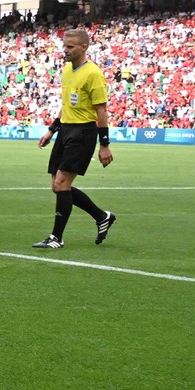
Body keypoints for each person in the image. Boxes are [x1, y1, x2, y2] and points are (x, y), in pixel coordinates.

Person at [34, 27, 117, 249]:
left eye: (70, 47)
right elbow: (66, 106)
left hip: (83, 132)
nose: (66, 50)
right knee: (57, 185)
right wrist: (51, 130)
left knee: (62, 183)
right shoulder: (67, 70)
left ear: (83, 47)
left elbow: (101, 111)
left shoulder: (93, 73)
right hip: (66, 130)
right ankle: (102, 217)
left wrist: (104, 145)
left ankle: (56, 237)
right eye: (64, 46)